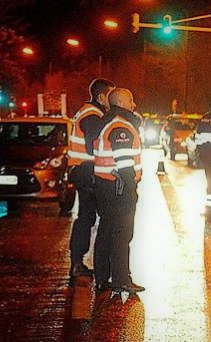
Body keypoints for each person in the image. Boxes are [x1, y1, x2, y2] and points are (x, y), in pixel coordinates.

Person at [93, 88, 145, 294]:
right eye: (131, 101)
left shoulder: (107, 122)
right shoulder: (122, 127)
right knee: (122, 234)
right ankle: (122, 279)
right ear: (122, 103)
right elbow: (125, 164)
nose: (134, 105)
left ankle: (103, 277)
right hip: (118, 187)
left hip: (105, 185)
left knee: (106, 232)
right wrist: (132, 190)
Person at [67, 78, 116, 278]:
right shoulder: (92, 115)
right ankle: (80, 263)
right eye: (110, 96)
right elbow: (93, 146)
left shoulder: (89, 112)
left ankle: (78, 262)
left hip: (82, 170)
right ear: (101, 96)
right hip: (87, 171)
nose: (112, 100)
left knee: (86, 217)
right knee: (90, 217)